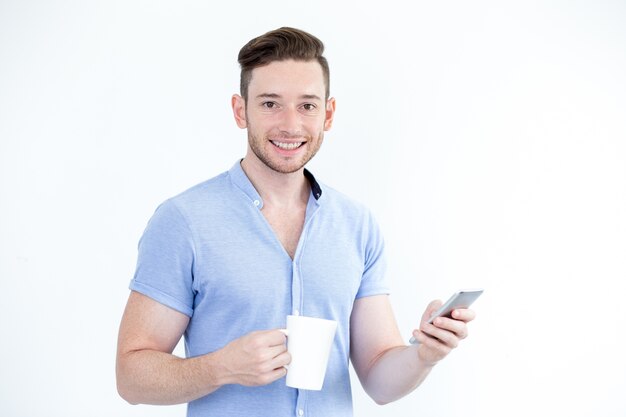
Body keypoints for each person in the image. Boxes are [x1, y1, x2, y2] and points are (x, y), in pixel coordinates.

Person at [116, 27, 476, 417]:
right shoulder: (184, 221)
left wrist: (425, 353)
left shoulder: (357, 225)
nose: (290, 125)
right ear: (241, 111)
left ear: (328, 114)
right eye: (270, 104)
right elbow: (131, 377)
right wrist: (220, 367)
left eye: (307, 105)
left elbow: (379, 379)